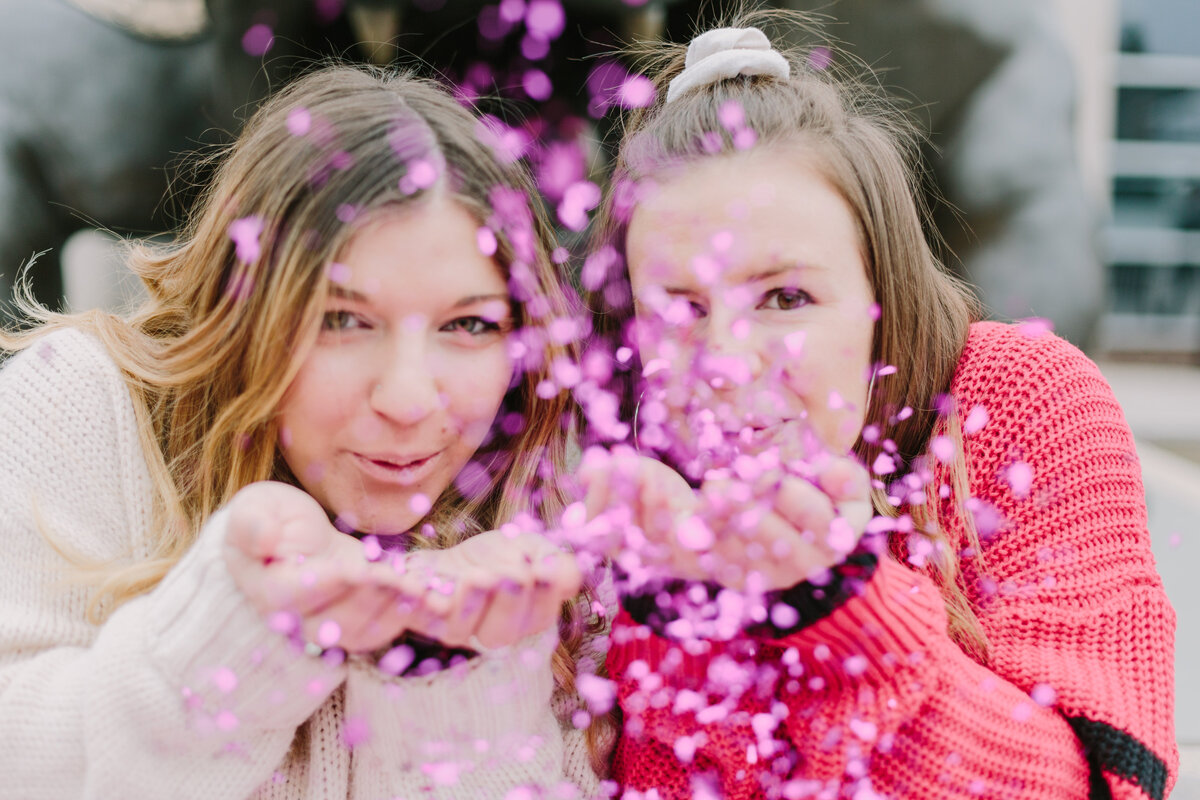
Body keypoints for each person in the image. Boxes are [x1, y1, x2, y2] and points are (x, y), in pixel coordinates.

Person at [574, 12, 1178, 800]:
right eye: (677, 309)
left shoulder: (1015, 401)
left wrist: (841, 600)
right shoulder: (615, 471)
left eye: (785, 297)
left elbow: (1108, 787)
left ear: (880, 299)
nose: (723, 364)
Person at [0, 65, 614, 798]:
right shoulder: (82, 405)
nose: (409, 400)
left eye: (469, 324)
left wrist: (450, 664)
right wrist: (239, 631)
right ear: (246, 307)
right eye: (343, 320)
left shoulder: (559, 500)